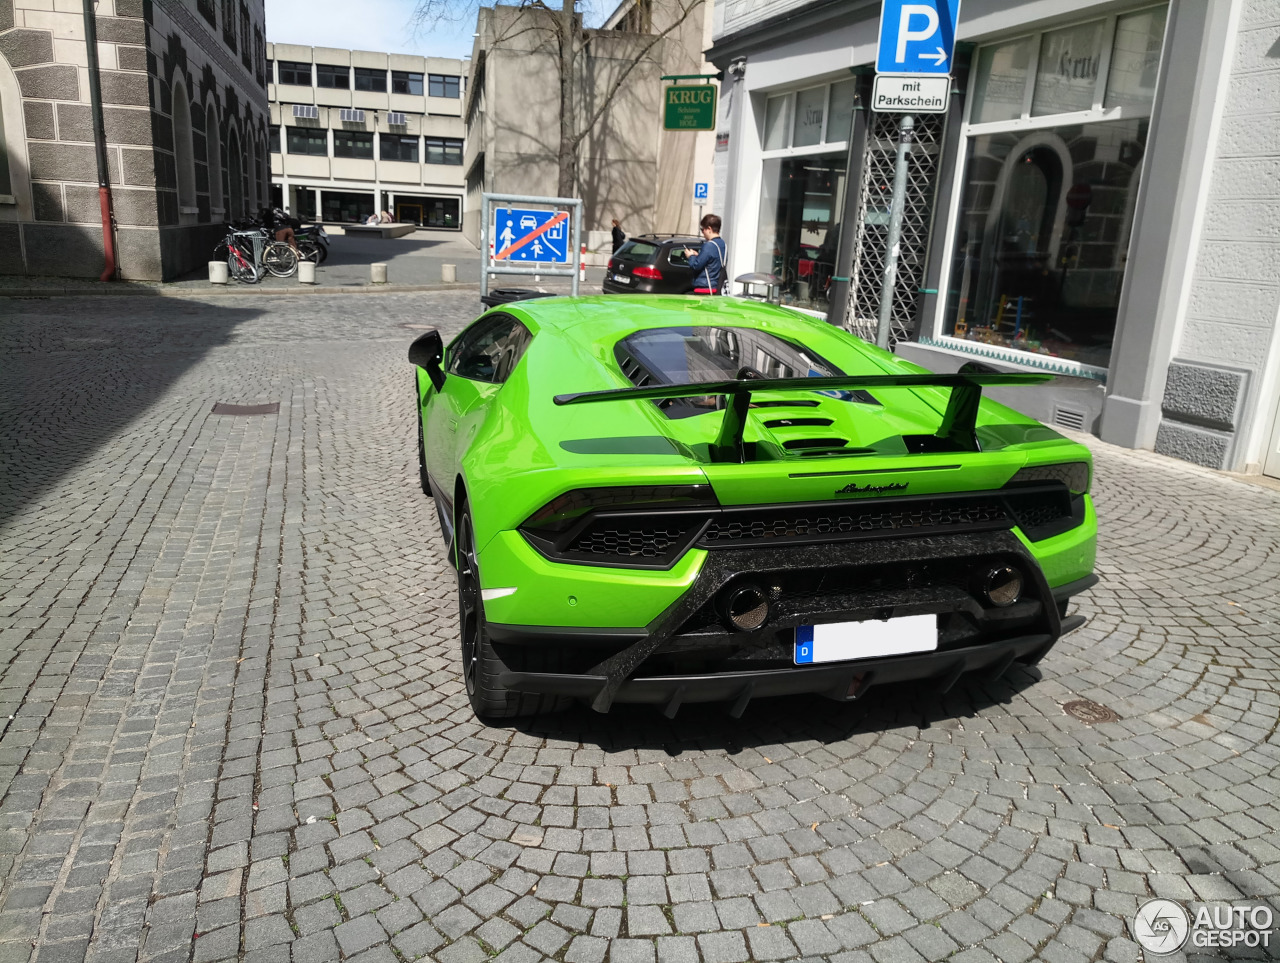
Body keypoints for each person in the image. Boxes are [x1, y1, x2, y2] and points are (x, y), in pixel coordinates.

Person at [683, 213, 726, 294]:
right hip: (717, 287)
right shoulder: (723, 244)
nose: (702, 232)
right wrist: (698, 256)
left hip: (704, 288)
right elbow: (712, 262)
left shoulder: (708, 245)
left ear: (709, 229)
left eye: (702, 229)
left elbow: (696, 266)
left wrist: (690, 256)